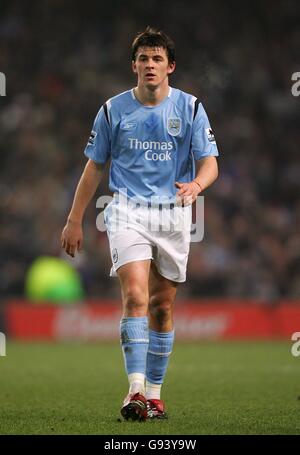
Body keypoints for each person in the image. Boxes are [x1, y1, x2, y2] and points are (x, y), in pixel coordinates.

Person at [61, 26, 219, 421]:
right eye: (144, 58)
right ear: (134, 65)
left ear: (170, 67)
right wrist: (74, 219)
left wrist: (197, 184)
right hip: (127, 209)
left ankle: (154, 394)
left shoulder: (191, 108)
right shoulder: (113, 110)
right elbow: (95, 165)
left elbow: (211, 162)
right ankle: (134, 392)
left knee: (162, 306)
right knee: (134, 296)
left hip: (173, 213)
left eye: (157, 59)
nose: (150, 64)